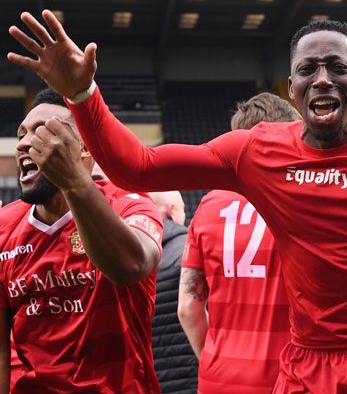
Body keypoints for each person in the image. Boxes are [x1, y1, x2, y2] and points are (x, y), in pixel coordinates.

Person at [8, 12, 347, 393]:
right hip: (309, 365)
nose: (323, 79)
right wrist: (82, 94)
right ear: (291, 88)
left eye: (338, 68)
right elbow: (139, 167)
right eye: (308, 70)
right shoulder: (257, 150)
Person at [0, 88, 163, 393]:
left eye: (42, 132)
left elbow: (134, 265)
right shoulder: (3, 229)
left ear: (84, 149)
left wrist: (73, 180)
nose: (23, 143)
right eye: (22, 134)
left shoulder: (129, 206)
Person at [178, 92, 299, 393]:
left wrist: (217, 358)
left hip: (218, 378)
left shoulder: (209, 205)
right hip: (290, 378)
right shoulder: (302, 201)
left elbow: (188, 308)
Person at [148, 191, 198, 393]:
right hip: (193, 380)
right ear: (171, 211)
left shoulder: (124, 260)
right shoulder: (189, 251)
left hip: (149, 381)